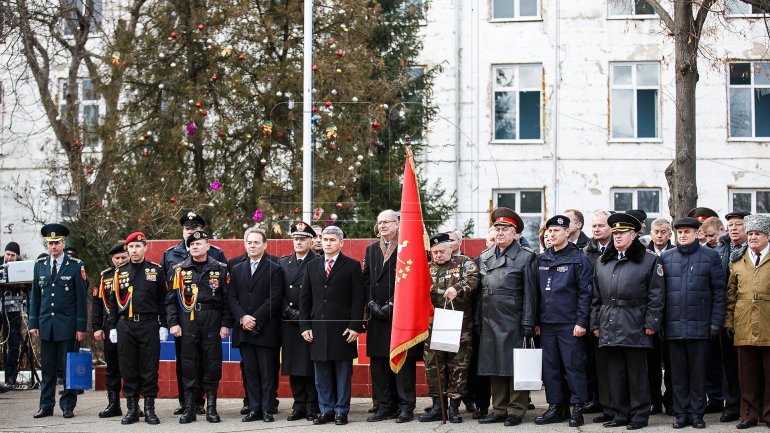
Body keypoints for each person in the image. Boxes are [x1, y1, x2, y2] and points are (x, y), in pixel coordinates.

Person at [591, 213, 664, 430]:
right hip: (609, 322)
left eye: (622, 233)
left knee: (637, 374)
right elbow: (596, 297)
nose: (618, 237)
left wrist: (652, 323)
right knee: (615, 373)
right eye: (615, 233)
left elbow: (656, 295)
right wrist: (595, 323)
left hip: (635, 322)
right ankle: (620, 414)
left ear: (633, 235)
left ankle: (639, 415)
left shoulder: (649, 260)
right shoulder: (603, 261)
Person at [660, 217, 726, 429]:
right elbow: (660, 295)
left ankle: (697, 414)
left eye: (687, 231)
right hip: (673, 326)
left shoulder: (710, 257)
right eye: (680, 232)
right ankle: (681, 414)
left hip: (700, 327)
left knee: (698, 375)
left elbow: (718, 292)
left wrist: (716, 322)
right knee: (677, 376)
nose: (683, 235)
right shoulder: (667, 258)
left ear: (697, 233)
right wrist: (660, 323)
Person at [160, 211, 227, 416]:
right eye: (190, 236)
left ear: (206, 243)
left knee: (212, 362)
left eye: (198, 239)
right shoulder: (175, 263)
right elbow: (169, 296)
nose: (194, 243)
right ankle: (188, 405)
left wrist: (226, 323)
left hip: (211, 317)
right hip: (186, 318)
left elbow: (227, 298)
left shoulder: (220, 263)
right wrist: (171, 322)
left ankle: (210, 406)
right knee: (187, 361)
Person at [477, 207, 537, 427]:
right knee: (495, 363)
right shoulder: (485, 256)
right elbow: (479, 291)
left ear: (515, 233)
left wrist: (529, 321)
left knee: (515, 364)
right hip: (490, 317)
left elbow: (531, 293)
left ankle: (516, 409)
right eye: (497, 228)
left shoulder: (526, 257)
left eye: (505, 229)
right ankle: (499, 408)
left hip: (514, 317)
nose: (500, 232)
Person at [299, 226, 364, 426]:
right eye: (324, 239)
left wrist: (355, 326)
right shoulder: (312, 266)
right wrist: (304, 326)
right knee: (322, 375)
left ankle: (341, 411)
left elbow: (358, 299)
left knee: (343, 374)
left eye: (332, 240)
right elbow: (305, 299)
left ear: (341, 243)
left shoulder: (352, 266)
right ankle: (326, 410)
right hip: (318, 330)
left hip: (343, 330)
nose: (327, 243)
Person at [534, 215, 593, 427]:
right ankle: (555, 407)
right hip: (547, 323)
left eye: (556, 231)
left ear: (567, 232)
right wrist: (536, 321)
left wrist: (581, 322)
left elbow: (586, 293)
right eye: (549, 231)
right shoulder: (542, 259)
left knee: (573, 367)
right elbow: (537, 294)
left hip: (570, 324)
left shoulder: (579, 258)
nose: (551, 234)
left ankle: (577, 408)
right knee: (550, 368)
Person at [108, 232, 169, 425]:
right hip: (125, 325)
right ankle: (132, 409)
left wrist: (164, 324)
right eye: (131, 247)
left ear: (145, 248)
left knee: (149, 368)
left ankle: (149, 409)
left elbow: (163, 300)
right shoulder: (120, 272)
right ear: (128, 249)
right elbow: (113, 302)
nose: (134, 250)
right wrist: (112, 326)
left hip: (149, 324)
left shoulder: (156, 271)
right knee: (128, 368)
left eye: (138, 246)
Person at [28, 224, 87, 419]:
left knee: (68, 367)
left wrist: (81, 326)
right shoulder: (40, 265)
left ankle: (68, 405)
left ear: (63, 243)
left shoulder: (75, 265)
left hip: (68, 326)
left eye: (57, 242)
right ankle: (46, 405)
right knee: (47, 369)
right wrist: (33, 322)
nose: (53, 247)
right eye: (50, 243)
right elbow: (35, 297)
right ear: (47, 244)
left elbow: (81, 298)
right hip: (47, 325)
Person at [420, 233, 479, 424]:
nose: (437, 255)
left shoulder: (464, 262)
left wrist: (458, 288)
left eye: (441, 251)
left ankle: (454, 407)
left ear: (451, 248)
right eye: (434, 252)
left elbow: (473, 279)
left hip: (460, 326)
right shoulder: (426, 268)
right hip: (433, 325)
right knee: (433, 365)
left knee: (458, 366)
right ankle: (438, 406)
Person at [365, 210, 418, 423]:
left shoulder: (409, 247)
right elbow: (366, 279)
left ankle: (406, 407)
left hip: (399, 315)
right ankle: (385, 406)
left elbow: (412, 280)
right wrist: (369, 303)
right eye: (379, 222)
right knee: (378, 363)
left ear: (398, 223)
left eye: (386, 221)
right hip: (376, 316)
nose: (382, 225)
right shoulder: (371, 249)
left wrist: (392, 304)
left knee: (403, 364)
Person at [227, 227, 283, 423]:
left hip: (265, 329)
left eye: (256, 242)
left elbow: (274, 298)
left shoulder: (274, 268)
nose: (252, 246)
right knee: (250, 372)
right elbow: (231, 297)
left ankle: (267, 409)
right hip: (244, 330)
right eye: (249, 242)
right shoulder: (236, 268)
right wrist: (243, 318)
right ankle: (254, 408)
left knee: (267, 372)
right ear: (245, 244)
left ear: (264, 245)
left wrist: (254, 319)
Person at [725, 214, 770, 429]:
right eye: (750, 233)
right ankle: (749, 415)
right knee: (747, 375)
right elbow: (730, 295)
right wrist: (728, 322)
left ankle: (768, 414)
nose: (752, 237)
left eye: (757, 234)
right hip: (744, 324)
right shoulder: (738, 261)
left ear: (767, 236)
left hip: (768, 323)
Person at [279, 221, 319, 422]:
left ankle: (313, 405)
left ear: (311, 241)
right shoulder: (283, 263)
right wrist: (288, 310)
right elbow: (278, 291)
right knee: (294, 366)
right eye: (295, 239)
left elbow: (319, 295)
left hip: (309, 322)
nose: (299, 242)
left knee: (309, 366)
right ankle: (299, 405)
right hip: (288, 322)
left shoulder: (317, 262)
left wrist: (303, 316)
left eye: (303, 239)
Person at [715, 210, 751, 423]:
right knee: (728, 364)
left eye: (739, 224)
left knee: (750, 364)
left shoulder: (754, 250)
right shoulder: (721, 250)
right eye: (731, 225)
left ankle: (752, 405)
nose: (734, 228)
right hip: (726, 313)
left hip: (750, 312)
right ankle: (733, 404)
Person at [92, 242, 130, 418]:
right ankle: (113, 403)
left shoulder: (134, 274)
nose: (121, 261)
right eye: (117, 258)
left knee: (132, 366)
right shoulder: (105, 277)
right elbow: (97, 304)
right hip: (110, 326)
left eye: (124, 257)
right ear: (112, 259)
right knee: (112, 366)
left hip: (131, 324)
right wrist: (97, 327)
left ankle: (133, 404)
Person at [582, 211, 612, 420]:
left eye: (601, 225)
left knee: (614, 364)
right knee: (595, 363)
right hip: (594, 313)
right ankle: (600, 401)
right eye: (594, 226)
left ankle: (616, 404)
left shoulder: (618, 250)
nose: (596, 229)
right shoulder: (587, 252)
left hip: (614, 313)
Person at [645, 217, 675, 415]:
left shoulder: (675, 253)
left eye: (663, 231)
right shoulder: (644, 254)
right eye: (656, 231)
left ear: (670, 234)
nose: (659, 235)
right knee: (651, 362)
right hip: (650, 316)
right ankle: (654, 400)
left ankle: (671, 401)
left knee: (672, 363)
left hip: (671, 315)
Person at [1, 242, 23, 389]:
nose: (9, 258)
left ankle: (11, 378)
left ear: (17, 256)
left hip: (13, 308)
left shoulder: (21, 267)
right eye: (7, 254)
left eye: (12, 255)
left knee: (14, 343)